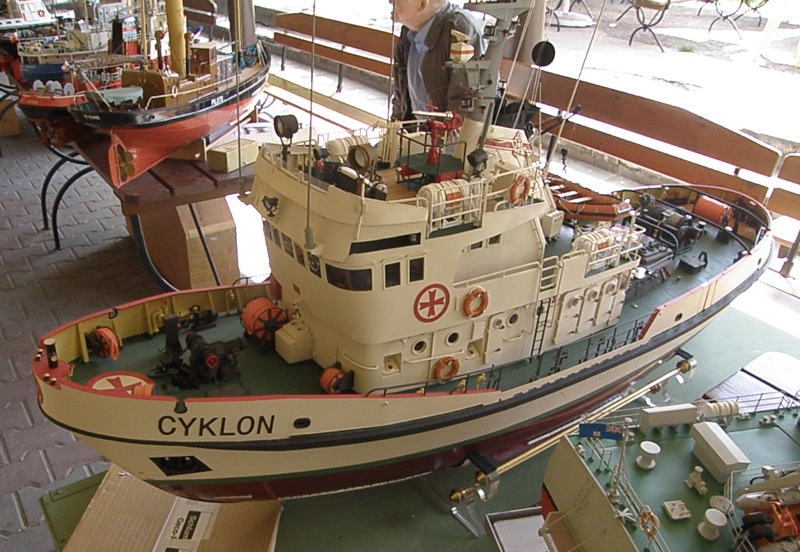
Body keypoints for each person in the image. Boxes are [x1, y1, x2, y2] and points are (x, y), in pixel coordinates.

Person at [390, 0, 486, 122]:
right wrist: (394, 127)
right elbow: (400, 94)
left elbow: (465, 102)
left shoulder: (461, 29)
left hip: (445, 129)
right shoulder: (408, 31)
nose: (390, 1)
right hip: (417, 125)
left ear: (422, 4)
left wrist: (445, 132)